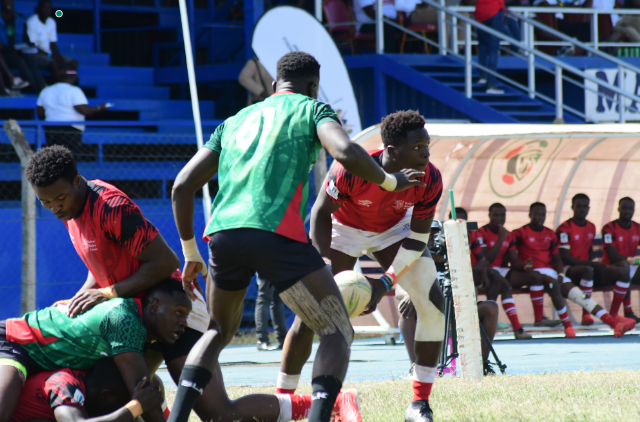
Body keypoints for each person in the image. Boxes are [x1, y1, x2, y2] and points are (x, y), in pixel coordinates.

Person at [169, 52, 423, 422]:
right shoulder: (312, 109)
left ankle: (176, 418)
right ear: (312, 87)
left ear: (274, 85)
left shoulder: (234, 120)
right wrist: (390, 180)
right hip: (276, 234)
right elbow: (346, 151)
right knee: (335, 330)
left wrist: (190, 250)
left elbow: (181, 186)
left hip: (222, 235)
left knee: (217, 331)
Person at [278, 110, 443, 422]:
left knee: (432, 299)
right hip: (343, 228)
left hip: (393, 230)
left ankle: (419, 404)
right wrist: (325, 266)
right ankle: (282, 400)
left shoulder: (430, 177)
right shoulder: (351, 169)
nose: (427, 152)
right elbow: (320, 213)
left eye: (427, 144)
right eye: (418, 146)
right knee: (311, 312)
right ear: (391, 150)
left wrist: (384, 283)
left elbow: (418, 238)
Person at [0, 278, 193, 422]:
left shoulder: (139, 329)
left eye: (186, 315)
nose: (184, 323)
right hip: (15, 341)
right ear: (154, 305)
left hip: (41, 361)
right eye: (178, 313)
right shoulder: (125, 321)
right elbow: (142, 393)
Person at [555, 194, 636, 336]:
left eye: (585, 206)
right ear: (572, 207)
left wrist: (593, 262)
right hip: (570, 271)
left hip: (589, 268)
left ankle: (615, 314)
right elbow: (565, 257)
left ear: (589, 208)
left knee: (623, 272)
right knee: (588, 270)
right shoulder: (564, 228)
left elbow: (589, 250)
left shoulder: (591, 226)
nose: (582, 209)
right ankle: (586, 315)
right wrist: (592, 264)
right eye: (578, 206)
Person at [10, 358, 164, 422]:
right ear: (106, 396)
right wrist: (135, 407)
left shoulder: (92, 388)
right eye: (122, 402)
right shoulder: (64, 383)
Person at [475, 203, 532, 340]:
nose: (499, 218)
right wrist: (500, 239)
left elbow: (513, 259)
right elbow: (485, 260)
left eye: (502, 215)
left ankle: (538, 319)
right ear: (489, 216)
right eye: (496, 215)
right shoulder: (482, 233)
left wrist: (524, 265)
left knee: (535, 277)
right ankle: (513, 326)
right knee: (504, 284)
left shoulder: (508, 234)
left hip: (501, 269)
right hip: (485, 270)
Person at [37, 67, 108, 160]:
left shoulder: (46, 90)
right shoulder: (74, 90)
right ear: (74, 77)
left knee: (55, 158)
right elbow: (85, 111)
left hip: (50, 128)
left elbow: (40, 113)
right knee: (71, 159)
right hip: (70, 129)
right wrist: (99, 108)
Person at [601, 197, 640, 322]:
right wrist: (635, 261)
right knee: (625, 267)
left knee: (627, 267)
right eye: (624, 208)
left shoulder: (637, 228)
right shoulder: (609, 228)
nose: (627, 211)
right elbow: (612, 257)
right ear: (618, 209)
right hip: (611, 270)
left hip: (630, 268)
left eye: (630, 208)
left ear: (634, 210)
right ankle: (628, 311)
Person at [0, 0, 46, 93]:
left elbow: (26, 39)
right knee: (18, 60)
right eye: (5, 1)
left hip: (18, 51)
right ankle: (33, 87)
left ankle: (43, 88)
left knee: (30, 60)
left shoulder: (19, 19)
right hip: (4, 54)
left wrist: (24, 48)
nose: (8, 3)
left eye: (10, 1)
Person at [26, 0, 75, 80]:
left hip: (49, 54)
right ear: (38, 9)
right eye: (44, 8)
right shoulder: (31, 22)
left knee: (73, 63)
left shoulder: (52, 22)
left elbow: (53, 44)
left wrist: (57, 56)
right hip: (36, 54)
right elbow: (32, 46)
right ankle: (59, 83)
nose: (46, 11)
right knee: (52, 62)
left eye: (49, 8)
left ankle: (69, 84)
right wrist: (50, 56)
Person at [475, 0, 505, 94]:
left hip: (481, 12)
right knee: (493, 50)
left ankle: (483, 76)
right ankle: (491, 84)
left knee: (482, 46)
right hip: (494, 11)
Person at [255, 276, 288, 351]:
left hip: (278, 267)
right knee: (264, 299)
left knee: (277, 301)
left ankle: (282, 340)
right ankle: (262, 340)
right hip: (269, 267)